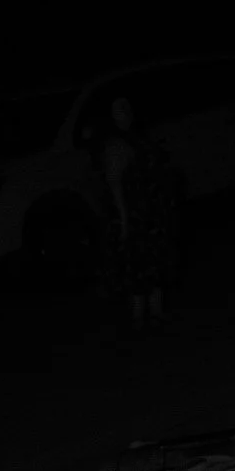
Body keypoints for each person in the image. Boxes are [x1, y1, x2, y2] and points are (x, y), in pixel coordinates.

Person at [97, 95, 180, 332]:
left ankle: (156, 313)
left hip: (149, 213)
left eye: (127, 107)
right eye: (119, 109)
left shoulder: (137, 138)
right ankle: (139, 317)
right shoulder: (115, 145)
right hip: (133, 216)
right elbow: (115, 187)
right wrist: (124, 221)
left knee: (154, 263)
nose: (125, 112)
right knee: (137, 268)